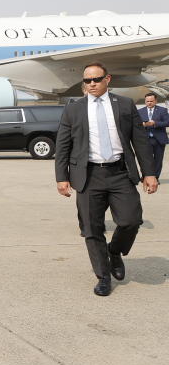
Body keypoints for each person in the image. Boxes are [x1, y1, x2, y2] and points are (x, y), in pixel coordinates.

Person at [56, 62, 158, 296]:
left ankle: (114, 251)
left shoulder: (124, 104)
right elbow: (63, 145)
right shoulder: (74, 109)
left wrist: (149, 173)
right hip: (88, 175)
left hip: (120, 172)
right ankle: (103, 276)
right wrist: (62, 177)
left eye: (96, 79)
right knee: (92, 229)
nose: (91, 84)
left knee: (131, 220)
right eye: (87, 81)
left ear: (107, 79)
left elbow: (139, 141)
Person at [138, 93, 168, 180]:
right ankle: (145, 177)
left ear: (156, 101)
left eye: (151, 101)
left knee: (158, 161)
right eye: (147, 101)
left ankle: (156, 178)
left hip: (159, 140)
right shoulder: (140, 111)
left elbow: (167, 122)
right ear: (145, 101)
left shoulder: (163, 110)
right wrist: (142, 124)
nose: (149, 103)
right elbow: (136, 124)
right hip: (146, 140)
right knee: (146, 160)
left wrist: (155, 123)